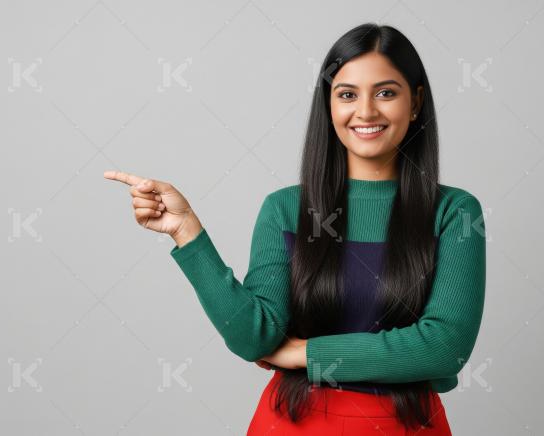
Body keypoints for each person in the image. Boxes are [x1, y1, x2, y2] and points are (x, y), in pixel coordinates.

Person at [103, 22, 485, 436]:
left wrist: (304, 352)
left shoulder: (455, 212)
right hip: (292, 424)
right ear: (328, 105)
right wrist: (186, 232)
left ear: (415, 103)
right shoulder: (286, 209)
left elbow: (446, 348)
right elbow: (254, 337)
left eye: (386, 92)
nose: (367, 111)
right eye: (347, 94)